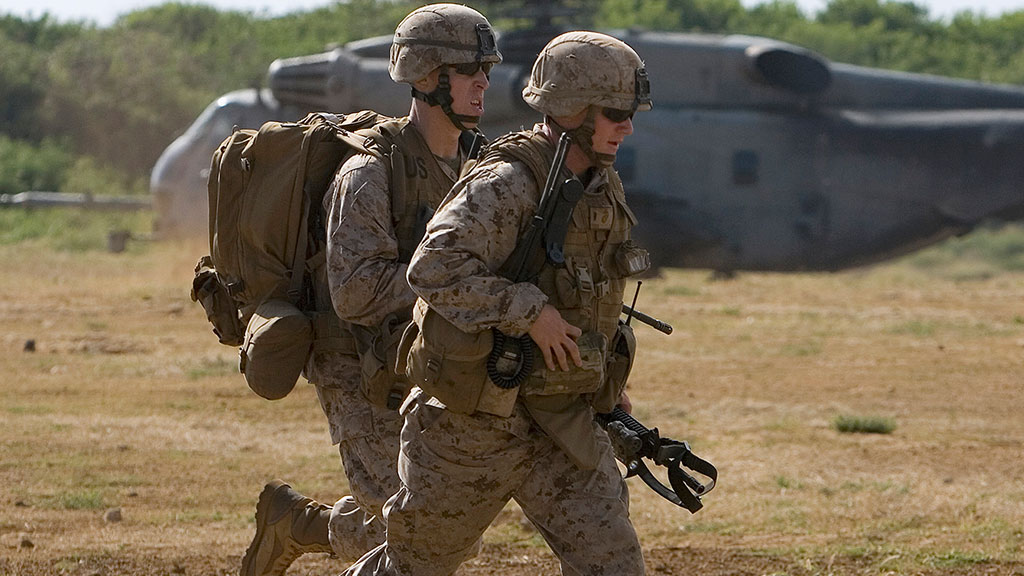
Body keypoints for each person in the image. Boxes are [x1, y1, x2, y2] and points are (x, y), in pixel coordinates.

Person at [341, 30, 654, 576]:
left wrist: (604, 380)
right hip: (471, 430)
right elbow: (431, 269)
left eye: (630, 113)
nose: (627, 125)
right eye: (614, 112)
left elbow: (589, 293)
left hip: (561, 421)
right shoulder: (508, 182)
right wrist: (527, 311)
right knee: (411, 567)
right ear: (570, 109)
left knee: (615, 564)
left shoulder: (601, 184)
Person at [239, 5, 501, 576]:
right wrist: (455, 283)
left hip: (433, 361)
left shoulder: (482, 168)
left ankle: (297, 525)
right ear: (427, 77)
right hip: (358, 365)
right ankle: (299, 525)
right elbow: (356, 291)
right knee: (416, 532)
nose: (484, 80)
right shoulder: (371, 171)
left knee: (441, 527)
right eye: (469, 69)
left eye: (486, 67)